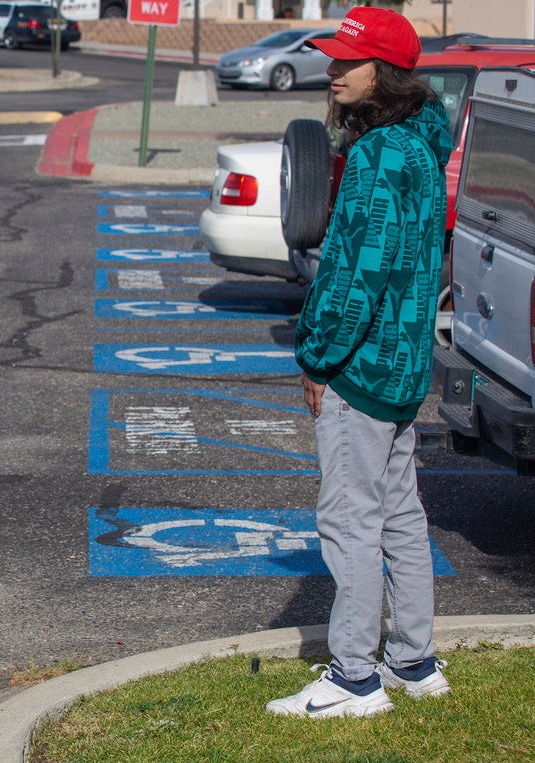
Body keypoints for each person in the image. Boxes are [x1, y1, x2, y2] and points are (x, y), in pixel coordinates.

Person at [270, 6, 453, 718]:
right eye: (334, 57)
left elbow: (356, 274)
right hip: (404, 366)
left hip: (363, 368)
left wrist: (316, 357)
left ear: (388, 73)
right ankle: (412, 659)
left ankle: (354, 677)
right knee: (401, 513)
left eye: (350, 60)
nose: (334, 70)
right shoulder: (421, 143)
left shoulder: (380, 154)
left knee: (350, 520)